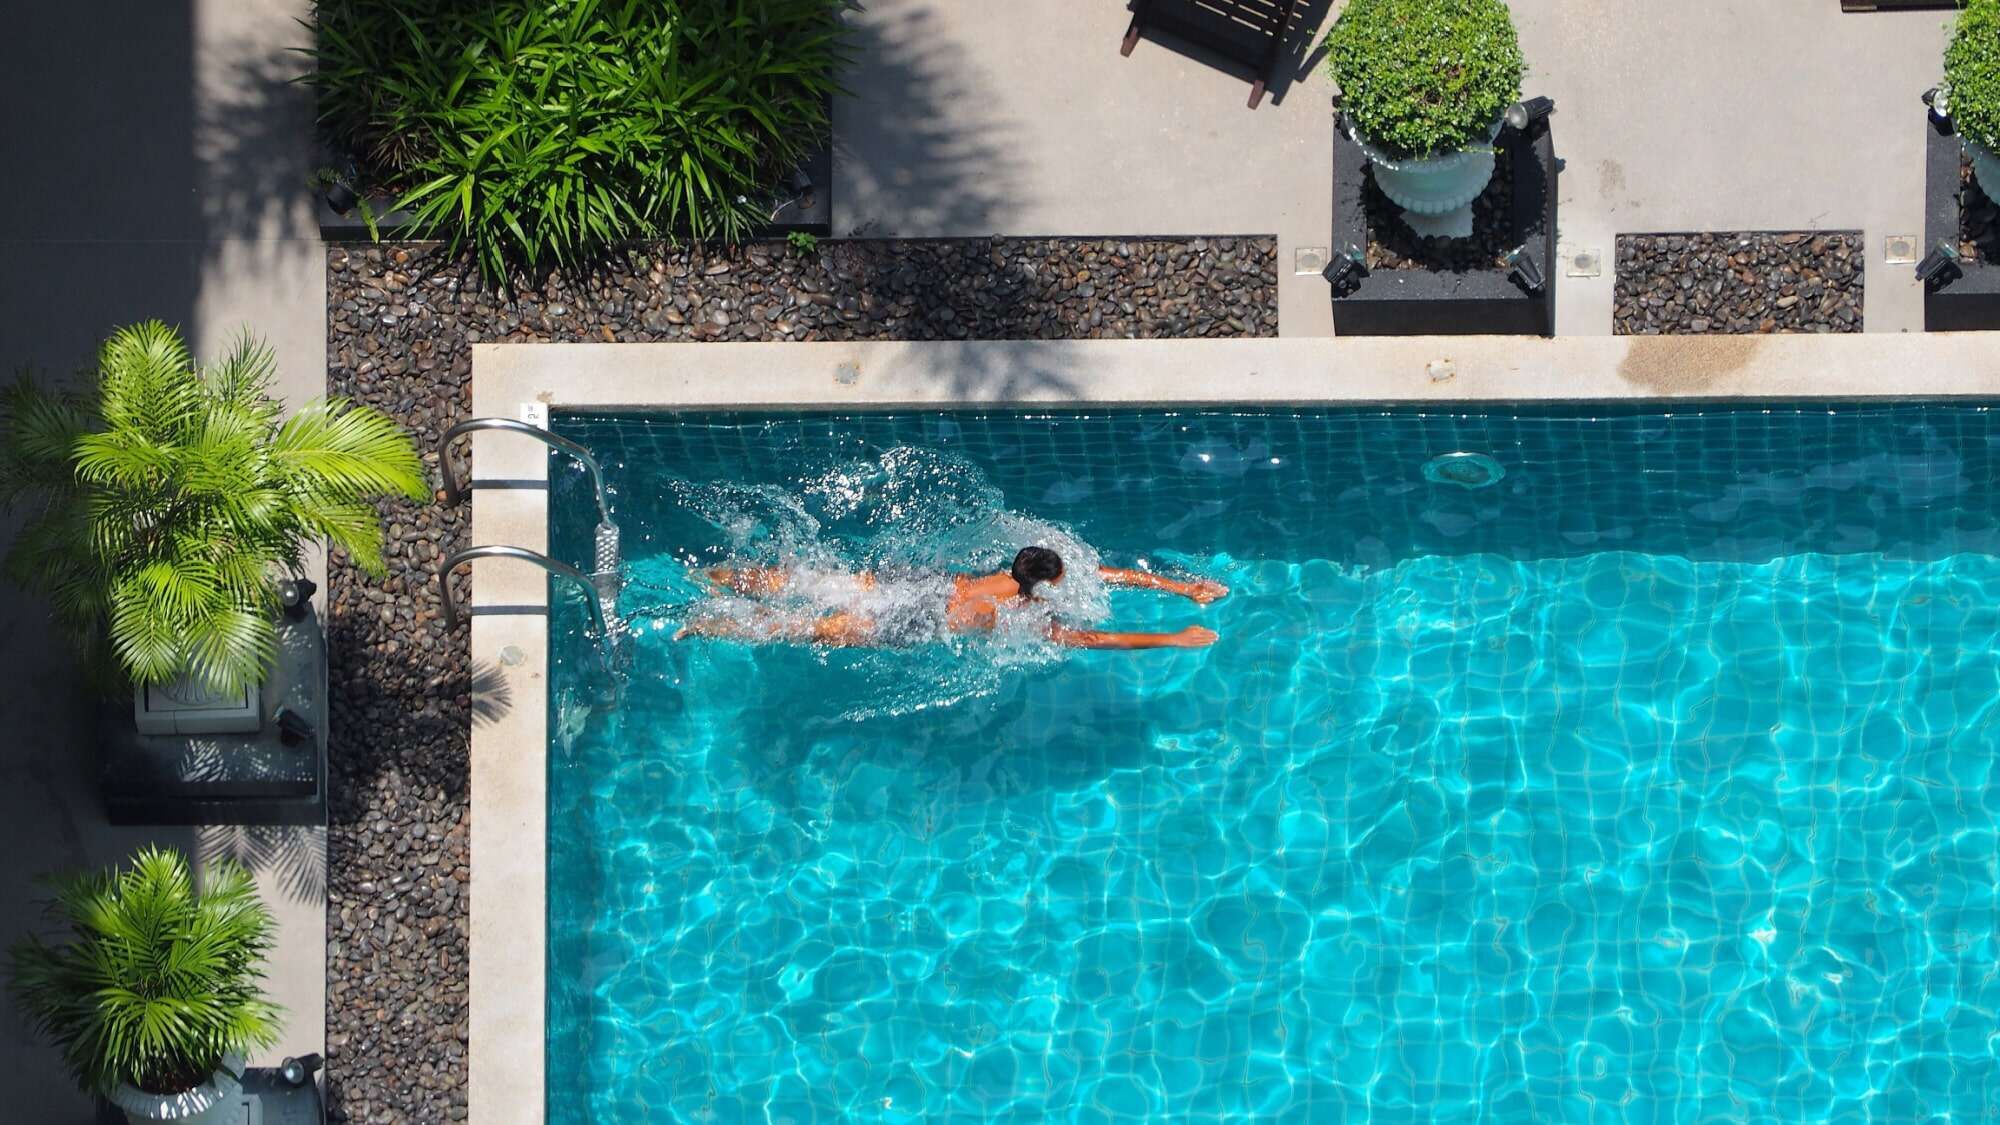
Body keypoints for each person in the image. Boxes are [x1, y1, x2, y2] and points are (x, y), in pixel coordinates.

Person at [676, 545, 1225, 649]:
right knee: (806, 629)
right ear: (1049, 582)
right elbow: (1096, 638)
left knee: (801, 580)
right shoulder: (1022, 616)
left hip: (916, 587)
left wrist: (1180, 587)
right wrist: (1173, 637)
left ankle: (709, 576)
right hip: (912, 624)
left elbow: (1109, 573)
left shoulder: (996, 575)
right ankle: (703, 623)